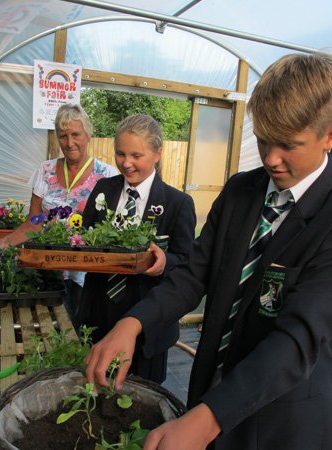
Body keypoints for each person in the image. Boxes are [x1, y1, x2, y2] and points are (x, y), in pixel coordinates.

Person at [84, 52, 332, 450]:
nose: (270, 158)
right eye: (263, 139)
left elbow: (300, 336)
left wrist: (209, 418)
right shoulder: (241, 191)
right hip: (207, 388)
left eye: (288, 144)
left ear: (329, 135)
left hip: (279, 419)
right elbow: (193, 273)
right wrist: (133, 323)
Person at [78, 113, 196, 383]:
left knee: (143, 399)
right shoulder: (103, 190)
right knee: (95, 388)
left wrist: (165, 262)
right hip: (99, 313)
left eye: (136, 155)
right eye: (120, 154)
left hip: (149, 324)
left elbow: (188, 262)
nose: (126, 163)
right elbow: (84, 237)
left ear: (157, 153)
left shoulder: (178, 203)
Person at [0, 103, 118, 326]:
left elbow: (111, 229)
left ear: (88, 135)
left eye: (76, 134)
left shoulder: (107, 176)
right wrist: (5, 242)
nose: (69, 143)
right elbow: (35, 221)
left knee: (83, 331)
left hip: (87, 273)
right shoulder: (45, 170)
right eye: (63, 136)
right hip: (49, 270)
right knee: (48, 328)